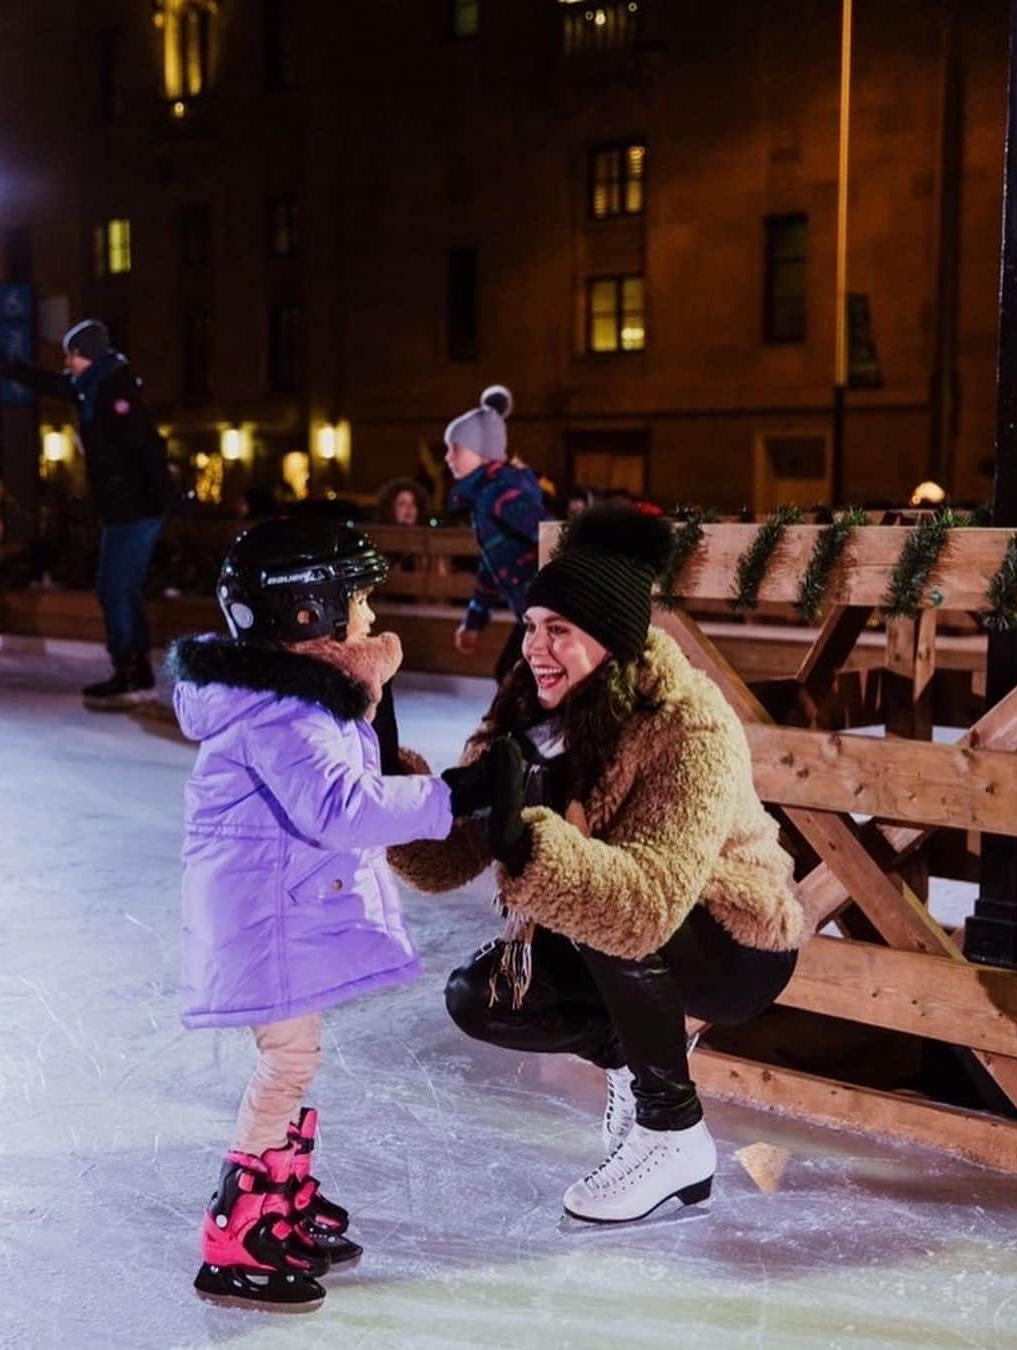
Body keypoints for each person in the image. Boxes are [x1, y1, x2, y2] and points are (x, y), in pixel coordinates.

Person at [389, 504, 804, 1224]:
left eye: (559, 632)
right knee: (480, 995)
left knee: (604, 906)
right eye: (530, 627)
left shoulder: (687, 722)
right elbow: (445, 857)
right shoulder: (528, 706)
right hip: (616, 929)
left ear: (611, 640)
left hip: (733, 943)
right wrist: (388, 773)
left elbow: (646, 902)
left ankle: (673, 1132)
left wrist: (529, 842)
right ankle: (630, 1055)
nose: (536, 649)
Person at [167, 516, 481, 1310]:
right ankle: (239, 1225)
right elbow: (341, 807)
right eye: (359, 601)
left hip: (273, 908)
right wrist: (450, 800)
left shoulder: (296, 697)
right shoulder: (281, 710)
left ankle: (281, 1194)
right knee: (288, 1061)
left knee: (296, 1056)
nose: (370, 618)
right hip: (262, 920)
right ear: (308, 612)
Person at [0, 319, 172, 709]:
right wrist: (8, 364)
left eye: (71, 353)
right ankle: (135, 670)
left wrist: (161, 500)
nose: (66, 360)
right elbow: (54, 384)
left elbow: (147, 446)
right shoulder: (92, 387)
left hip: (136, 509)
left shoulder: (115, 390)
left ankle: (130, 673)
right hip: (123, 509)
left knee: (115, 588)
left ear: (87, 354)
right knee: (120, 588)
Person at [444, 384, 547, 682]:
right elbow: (492, 570)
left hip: (549, 611)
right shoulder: (485, 497)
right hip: (535, 612)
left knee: (512, 677)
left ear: (483, 452)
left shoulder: (499, 495)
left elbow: (546, 532)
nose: (448, 457)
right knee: (510, 675)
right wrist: (474, 621)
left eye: (456, 449)